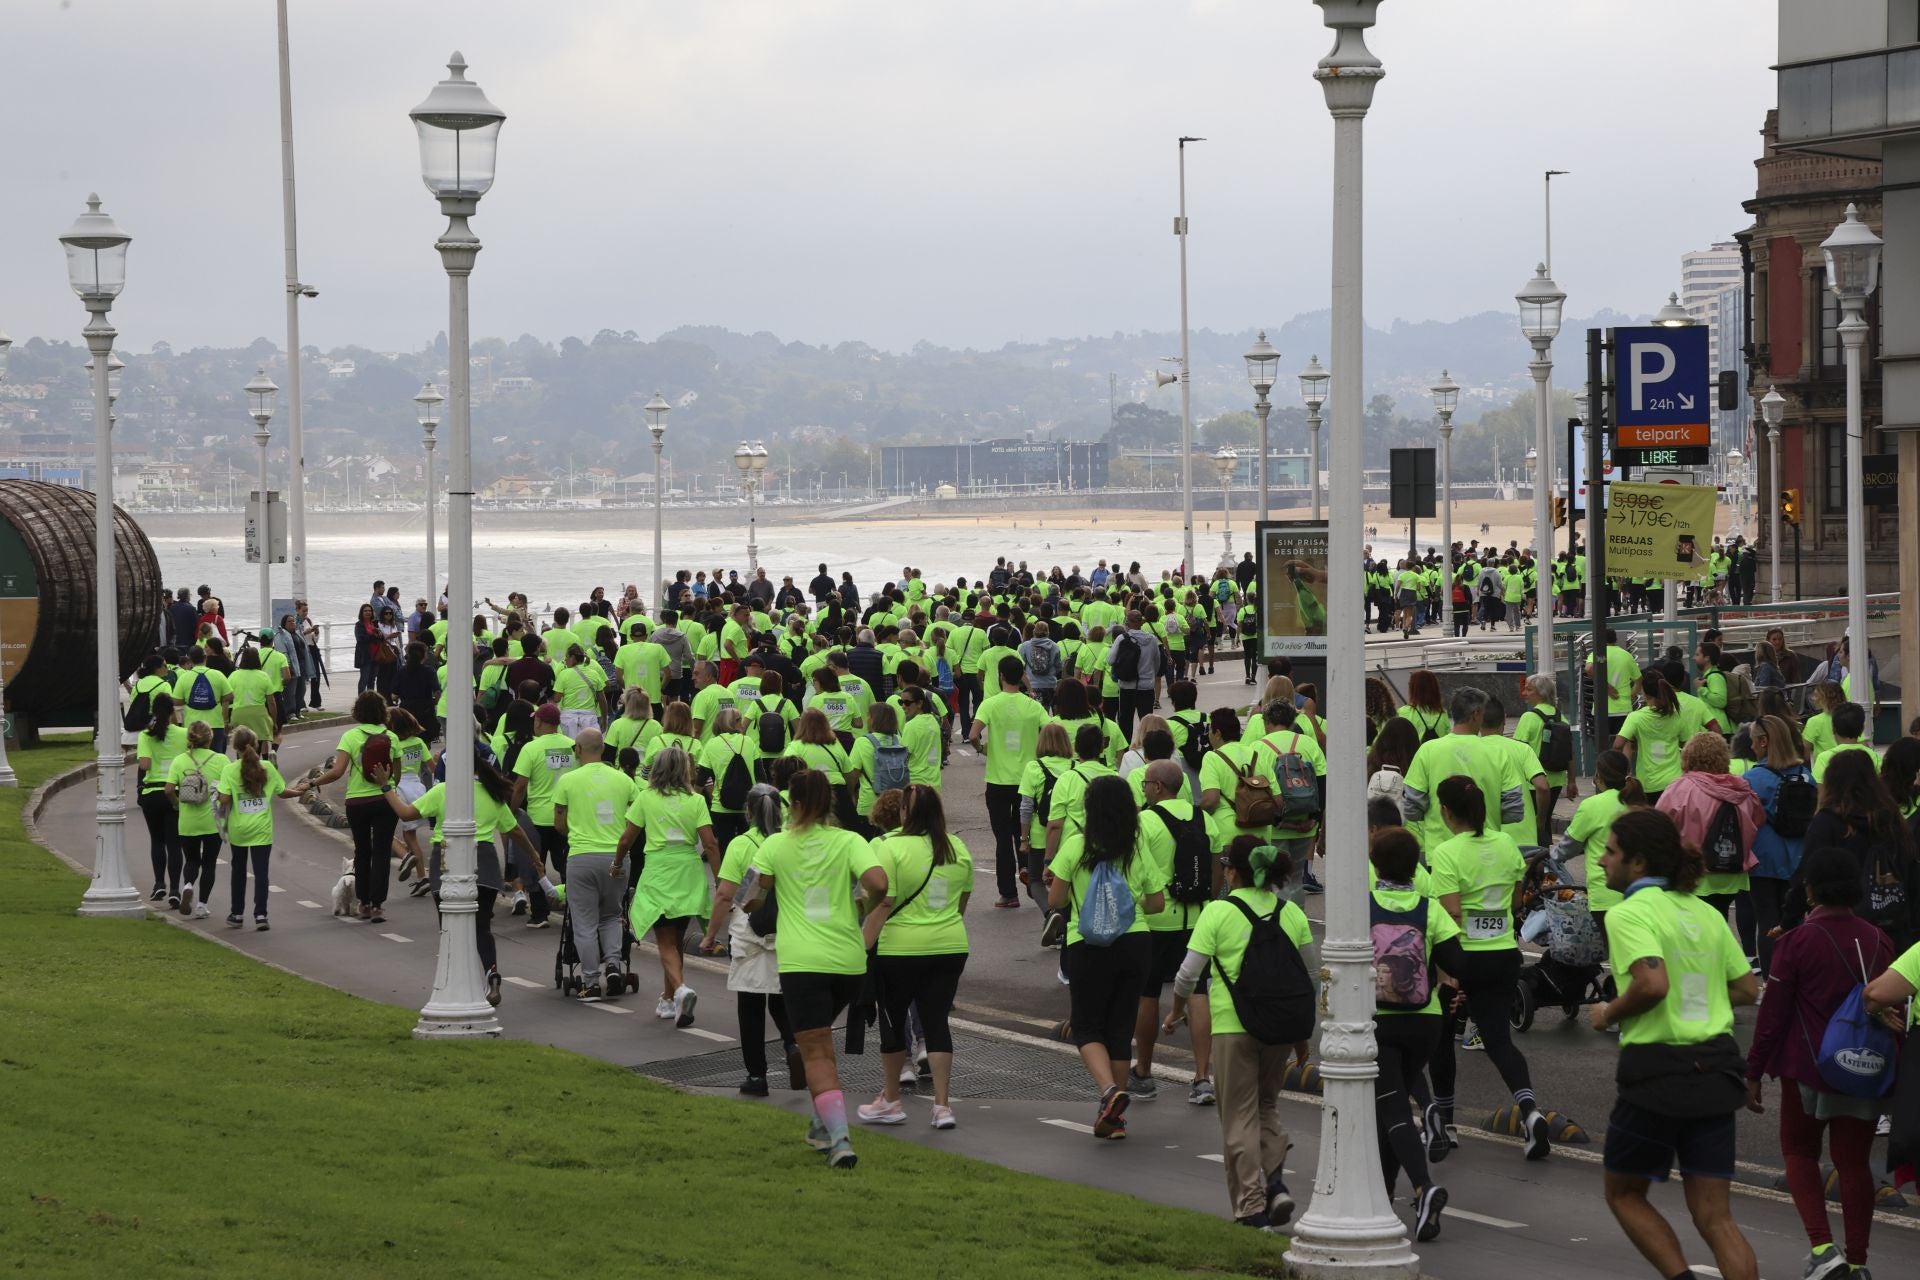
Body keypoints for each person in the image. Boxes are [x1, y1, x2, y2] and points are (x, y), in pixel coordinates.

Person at [1589, 808, 1760, 1280]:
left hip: (1658, 1075)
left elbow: (1652, 985)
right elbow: (1748, 989)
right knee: (1716, 1218)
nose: (1602, 861)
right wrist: (1698, 987)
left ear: (1638, 863)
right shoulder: (1704, 912)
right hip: (1717, 1070)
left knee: (1623, 1193)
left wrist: (1606, 1013)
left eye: (1610, 851)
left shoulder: (1628, 914)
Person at [1745, 846, 1895, 1280]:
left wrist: (1754, 1071)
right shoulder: (1880, 940)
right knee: (1853, 1165)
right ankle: (1859, 1262)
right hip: (1865, 1070)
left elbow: (1772, 1016)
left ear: (1810, 889)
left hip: (1808, 1068)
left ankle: (1823, 1249)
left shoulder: (1796, 942)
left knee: (1799, 1151)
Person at [746, 769, 889, 1169]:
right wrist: (861, 900)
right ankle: (820, 1123)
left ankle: (841, 1140)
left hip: (802, 962)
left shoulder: (775, 844)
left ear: (792, 803)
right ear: (830, 801)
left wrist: (762, 899)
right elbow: (879, 881)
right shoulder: (850, 840)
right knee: (821, 1046)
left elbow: (747, 897)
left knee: (816, 1052)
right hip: (847, 960)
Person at [1171, 836, 1314, 1230]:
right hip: (1280, 1030)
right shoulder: (1291, 914)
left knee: (1238, 1116)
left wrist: (1177, 1011)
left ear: (1233, 870)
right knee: (1266, 1106)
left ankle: (1252, 1206)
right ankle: (1276, 1183)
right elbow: (1310, 978)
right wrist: (1302, 1037)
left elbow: (1187, 975)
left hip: (1233, 1028)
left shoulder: (1218, 912)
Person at [1426, 775, 1550, 1162]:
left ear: (1445, 812)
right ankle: (1530, 1114)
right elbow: (1515, 902)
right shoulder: (1506, 843)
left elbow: (1448, 911)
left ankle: (1446, 1124)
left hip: (1460, 958)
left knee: (1442, 1039)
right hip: (1502, 957)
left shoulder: (1447, 853)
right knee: (1498, 1041)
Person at [371, 744, 541, 1008]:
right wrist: (534, 856)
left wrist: (385, 785)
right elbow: (515, 830)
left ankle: (456, 983)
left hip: (447, 860)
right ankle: (491, 972)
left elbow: (405, 813)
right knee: (482, 927)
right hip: (484, 862)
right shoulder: (491, 793)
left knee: (449, 927)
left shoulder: (442, 791)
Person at [1047, 774, 1168, 1140]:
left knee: (1086, 1026)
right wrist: (1130, 902)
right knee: (1119, 1028)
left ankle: (1109, 1092)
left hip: (1088, 946)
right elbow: (1157, 902)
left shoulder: (1076, 845)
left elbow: (1055, 900)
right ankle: (1113, 1117)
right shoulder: (1135, 846)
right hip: (1135, 943)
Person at [858, 784, 973, 1131]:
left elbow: (881, 903)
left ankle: (891, 1099)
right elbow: (961, 902)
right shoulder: (957, 847)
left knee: (893, 1025)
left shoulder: (889, 847)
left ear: (905, 813)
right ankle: (942, 1106)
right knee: (937, 1024)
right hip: (950, 944)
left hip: (900, 948)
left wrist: (861, 946)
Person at [1369, 826, 1464, 1243]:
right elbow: (1456, 961)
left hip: (1380, 1021)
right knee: (1387, 1112)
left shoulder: (1363, 904)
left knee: (1391, 1111)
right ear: (1416, 867)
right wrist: (1454, 993)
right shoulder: (1430, 909)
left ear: (1375, 864)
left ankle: (1424, 1188)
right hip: (1425, 1022)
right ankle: (1384, 1199)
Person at [698, 784, 803, 1096]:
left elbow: (725, 894)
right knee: (783, 1001)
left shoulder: (742, 845)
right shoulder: (791, 843)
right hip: (787, 930)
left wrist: (709, 935)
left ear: (748, 812)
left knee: (751, 1007)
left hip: (750, 933)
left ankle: (757, 1077)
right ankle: (793, 1042)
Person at [1133, 760, 1226, 1106]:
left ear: (1158, 787)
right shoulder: (1205, 819)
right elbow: (1217, 872)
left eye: (1145, 784)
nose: (1143, 789)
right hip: (1197, 920)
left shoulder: (1146, 821)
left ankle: (1143, 1072)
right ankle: (1202, 1077)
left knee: (1148, 992)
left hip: (1158, 920)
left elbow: (1136, 869)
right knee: (1199, 992)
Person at [617, 745, 720, 1026]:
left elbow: (627, 839)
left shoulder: (646, 797)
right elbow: (710, 842)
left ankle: (681, 991)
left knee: (664, 941)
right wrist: (721, 879)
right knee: (676, 939)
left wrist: (616, 864)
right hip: (688, 871)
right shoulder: (696, 800)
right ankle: (669, 998)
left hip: (659, 871)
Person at [1790, 750, 1920, 950]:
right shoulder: (1892, 818)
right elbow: (1911, 872)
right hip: (1893, 924)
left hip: (1841, 930)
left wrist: (1788, 920)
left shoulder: (1828, 822)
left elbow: (1807, 873)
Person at [1657, 733, 1767, 966]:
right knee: (1718, 918)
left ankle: (1699, 973)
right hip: (1733, 871)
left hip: (1694, 872)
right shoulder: (1740, 788)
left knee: (1693, 930)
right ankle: (1718, 968)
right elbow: (1758, 819)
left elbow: (1660, 826)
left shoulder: (1681, 788)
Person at [552, 728, 639, 1000]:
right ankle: (613, 965)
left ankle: (590, 981)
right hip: (617, 857)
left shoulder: (568, 781)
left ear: (578, 749)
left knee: (584, 922)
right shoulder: (624, 780)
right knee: (612, 914)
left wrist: (577, 835)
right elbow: (635, 820)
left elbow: (559, 824)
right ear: (602, 749)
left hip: (581, 858)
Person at [303, 691, 402, 923]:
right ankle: (378, 906)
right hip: (384, 800)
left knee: (362, 851)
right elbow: (396, 775)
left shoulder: (350, 736)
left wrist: (313, 782)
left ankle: (364, 904)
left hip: (357, 802)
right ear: (382, 711)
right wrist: (385, 783)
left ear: (357, 712)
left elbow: (337, 772)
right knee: (381, 853)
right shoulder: (392, 738)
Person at [971, 654, 1047, 909]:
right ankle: (1029, 874)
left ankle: (1008, 893)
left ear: (1000, 676)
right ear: (1022, 676)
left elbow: (973, 734)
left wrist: (982, 749)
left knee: (1002, 837)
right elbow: (1049, 732)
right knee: (1022, 833)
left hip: (997, 780)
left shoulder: (990, 704)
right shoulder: (1033, 706)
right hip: (1026, 780)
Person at [1744, 715, 1814, 976]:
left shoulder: (1752, 778)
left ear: (1763, 742)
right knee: (1794, 920)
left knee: (1767, 920)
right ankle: (1795, 977)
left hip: (1763, 859)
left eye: (1753, 741)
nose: (1751, 747)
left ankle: (1772, 981)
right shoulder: (1805, 776)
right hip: (1798, 858)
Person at [1554, 749, 1647, 935]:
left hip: (1605, 896)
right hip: (1640, 895)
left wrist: (1550, 856)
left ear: (1599, 776)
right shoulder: (1637, 803)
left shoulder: (1591, 806)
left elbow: (1568, 847)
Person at [217, 726, 301, 930]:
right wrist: (300, 790)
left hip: (239, 829)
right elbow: (282, 792)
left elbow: (225, 799)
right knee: (261, 873)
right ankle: (261, 915)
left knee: (238, 871)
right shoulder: (267, 768)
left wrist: (219, 796)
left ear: (234, 747)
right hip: (262, 830)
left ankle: (237, 914)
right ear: (256, 745)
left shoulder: (229, 769)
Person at [163, 719, 225, 920]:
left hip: (187, 821)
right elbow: (228, 789)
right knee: (209, 863)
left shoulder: (180, 760)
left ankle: (188, 884)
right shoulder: (221, 760)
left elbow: (169, 790)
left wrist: (176, 804)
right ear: (210, 738)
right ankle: (201, 905)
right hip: (212, 821)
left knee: (191, 859)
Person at [135, 690, 189, 907]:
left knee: (157, 841)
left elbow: (144, 765)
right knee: (175, 843)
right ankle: (175, 888)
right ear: (172, 712)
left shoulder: (145, 735)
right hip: (175, 792)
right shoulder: (183, 734)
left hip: (152, 794)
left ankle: (159, 883)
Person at [1615, 670, 1688, 804]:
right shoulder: (1677, 715)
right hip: (1675, 782)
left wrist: (1625, 774)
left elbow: (1618, 745)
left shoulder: (1636, 717)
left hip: (1649, 784)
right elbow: (1686, 745)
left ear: (1644, 692)